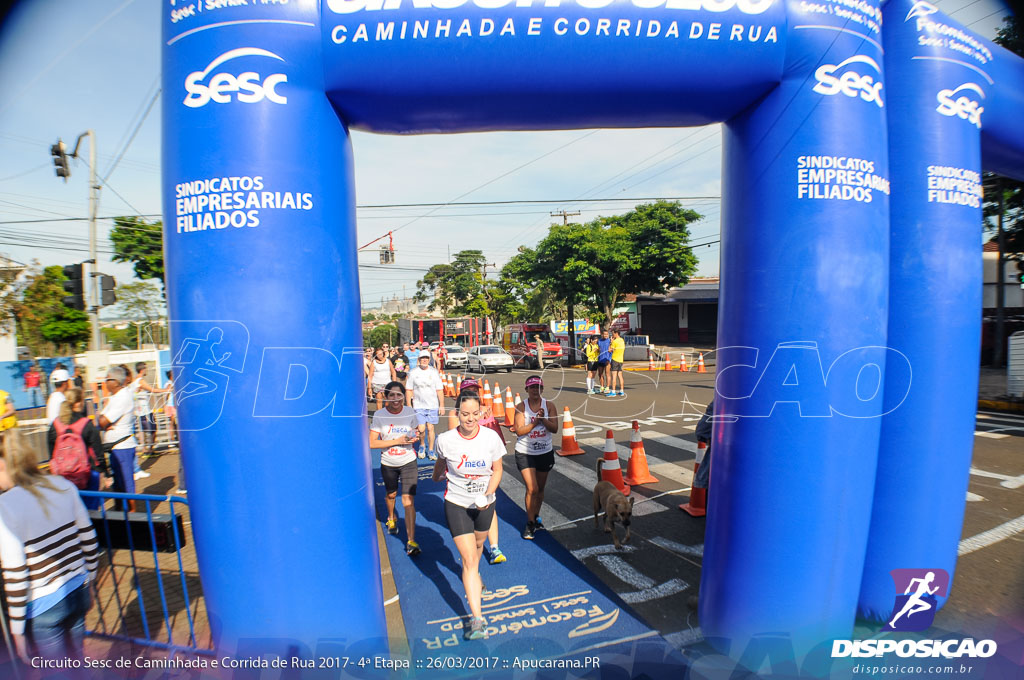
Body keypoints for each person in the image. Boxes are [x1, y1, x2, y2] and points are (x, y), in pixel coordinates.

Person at [0, 428, 99, 665]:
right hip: (77, 590)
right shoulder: (61, 486)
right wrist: (90, 582)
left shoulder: (5, 506)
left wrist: (17, 630)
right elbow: (89, 541)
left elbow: (15, 573)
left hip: (44, 606)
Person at [431, 391, 505, 640]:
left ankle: (476, 576)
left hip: (485, 503)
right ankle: (477, 619)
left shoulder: (491, 438)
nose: (470, 419)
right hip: (456, 503)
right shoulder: (445, 440)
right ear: (457, 413)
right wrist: (437, 475)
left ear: (481, 412)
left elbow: (497, 470)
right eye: (464, 414)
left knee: (478, 546)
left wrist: (488, 493)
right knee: (469, 560)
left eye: (475, 414)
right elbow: (439, 467)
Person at [370, 381, 423, 556]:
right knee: (391, 494)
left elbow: (415, 431)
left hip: (408, 460)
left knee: (408, 501)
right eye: (391, 395)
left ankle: (411, 541)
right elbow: (372, 442)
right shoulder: (379, 415)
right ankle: (391, 517)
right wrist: (397, 441)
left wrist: (415, 436)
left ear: (403, 396)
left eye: (398, 395)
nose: (395, 399)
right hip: (389, 462)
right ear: (386, 397)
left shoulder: (410, 411)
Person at [458, 378, 507, 565]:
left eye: (475, 390)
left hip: (485, 468)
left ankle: (494, 548)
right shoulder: (457, 415)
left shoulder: (487, 410)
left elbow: (498, 439)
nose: (473, 393)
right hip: (465, 469)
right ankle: (472, 545)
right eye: (468, 390)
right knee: (467, 510)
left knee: (489, 503)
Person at [511, 375, 558, 539]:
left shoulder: (549, 405)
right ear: (526, 390)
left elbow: (555, 428)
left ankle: (536, 517)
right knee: (532, 489)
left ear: (542, 389)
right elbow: (519, 430)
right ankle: (530, 524)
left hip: (544, 452)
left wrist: (543, 419)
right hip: (525, 452)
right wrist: (534, 422)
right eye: (532, 387)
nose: (535, 390)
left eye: (538, 387)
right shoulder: (521, 407)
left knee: (541, 489)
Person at [47, 387, 108, 491]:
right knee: (89, 506)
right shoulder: (86, 424)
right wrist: (104, 472)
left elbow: (51, 454)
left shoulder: (55, 425)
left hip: (62, 476)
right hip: (87, 474)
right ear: (79, 403)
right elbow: (98, 453)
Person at [97, 366, 138, 502]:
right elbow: (101, 421)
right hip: (115, 447)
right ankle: (122, 515)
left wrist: (104, 423)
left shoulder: (122, 397)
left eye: (107, 379)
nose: (105, 382)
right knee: (118, 486)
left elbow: (102, 421)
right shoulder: (114, 397)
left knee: (127, 486)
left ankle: (133, 517)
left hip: (123, 448)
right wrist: (103, 423)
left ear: (115, 381)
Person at [406, 351, 445, 460]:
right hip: (418, 405)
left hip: (432, 405)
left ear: (429, 360)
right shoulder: (413, 373)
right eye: (422, 358)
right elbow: (409, 390)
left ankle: (431, 450)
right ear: (419, 359)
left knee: (431, 428)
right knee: (421, 429)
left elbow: (439, 390)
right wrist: (409, 405)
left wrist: (441, 405)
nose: (424, 360)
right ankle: (422, 444)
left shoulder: (434, 372)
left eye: (426, 358)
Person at [132, 362, 170, 458]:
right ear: (142, 370)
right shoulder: (140, 381)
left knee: (145, 430)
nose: (147, 370)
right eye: (146, 368)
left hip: (140, 410)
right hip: (144, 411)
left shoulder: (134, 380)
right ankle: (149, 450)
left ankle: (147, 450)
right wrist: (166, 390)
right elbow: (152, 389)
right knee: (152, 429)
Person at [609, 330, 626, 397]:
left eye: (613, 334)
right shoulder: (622, 340)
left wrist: (611, 342)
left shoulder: (615, 341)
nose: (612, 335)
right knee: (620, 375)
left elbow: (609, 350)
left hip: (615, 359)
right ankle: (621, 391)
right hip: (621, 360)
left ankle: (613, 391)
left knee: (614, 376)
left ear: (616, 333)